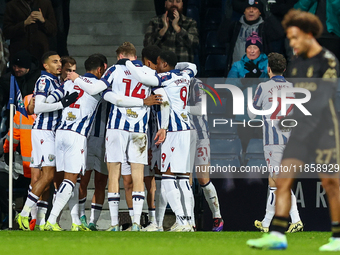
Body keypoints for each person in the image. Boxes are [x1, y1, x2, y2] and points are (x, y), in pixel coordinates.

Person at [247, 10, 340, 251]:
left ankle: (299, 225)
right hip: (295, 136)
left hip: (286, 137)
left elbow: (252, 112)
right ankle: (276, 227)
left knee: (297, 182)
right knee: (281, 181)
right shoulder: (295, 79)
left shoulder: (324, 61)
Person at [66, 42, 163, 231]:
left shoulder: (114, 70)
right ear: (135, 56)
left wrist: (77, 78)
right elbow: (161, 95)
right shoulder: (148, 73)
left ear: (120, 56)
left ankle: (113, 224)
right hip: (139, 129)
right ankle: (136, 222)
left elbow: (94, 89)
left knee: (114, 173)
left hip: (116, 128)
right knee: (137, 174)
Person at [125, 50, 197, 232]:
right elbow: (192, 66)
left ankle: (181, 221)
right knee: (182, 178)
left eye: (158, 63)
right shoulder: (185, 76)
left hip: (172, 130)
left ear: (164, 65)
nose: (156, 67)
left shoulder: (164, 78)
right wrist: (177, 66)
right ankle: (189, 221)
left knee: (167, 177)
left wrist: (127, 64)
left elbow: (142, 79)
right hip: (186, 128)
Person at [15, 51, 78, 231]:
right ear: (45, 65)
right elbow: (39, 106)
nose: (59, 64)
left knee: (47, 176)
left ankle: (41, 221)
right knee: (48, 175)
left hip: (49, 132)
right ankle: (24, 214)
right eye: (55, 62)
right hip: (44, 131)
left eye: (60, 61)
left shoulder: (55, 81)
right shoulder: (44, 81)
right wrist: (62, 103)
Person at [248, 52, 303, 233]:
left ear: (268, 69)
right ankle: (265, 223)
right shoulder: (293, 87)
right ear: (285, 69)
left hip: (274, 141)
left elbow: (251, 113)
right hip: (291, 140)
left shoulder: (263, 87)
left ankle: (296, 219)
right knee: (273, 181)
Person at [188, 77, 224, 231]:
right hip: (183, 135)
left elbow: (200, 108)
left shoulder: (196, 84)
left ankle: (217, 216)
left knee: (203, 179)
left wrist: (179, 107)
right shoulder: (171, 80)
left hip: (201, 135)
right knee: (186, 180)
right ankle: (189, 221)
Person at [226, 31, 268, 151]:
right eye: (249, 47)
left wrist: (261, 76)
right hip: (243, 114)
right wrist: (243, 81)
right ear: (246, 49)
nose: (252, 50)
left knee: (265, 147)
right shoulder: (237, 65)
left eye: (255, 47)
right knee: (243, 147)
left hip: (264, 113)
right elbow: (228, 87)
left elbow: (275, 84)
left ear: (260, 50)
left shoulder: (268, 65)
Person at [218, 0, 282, 76]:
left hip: (259, 75)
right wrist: (227, 18)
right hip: (237, 73)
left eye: (255, 9)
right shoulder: (235, 26)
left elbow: (279, 33)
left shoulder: (264, 27)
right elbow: (221, 38)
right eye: (248, 8)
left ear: (260, 12)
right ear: (244, 11)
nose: (251, 11)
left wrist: (268, 13)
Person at [0, 50, 41, 134]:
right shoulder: (7, 79)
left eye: (20, 67)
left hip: (33, 119)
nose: (16, 69)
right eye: (14, 66)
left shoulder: (39, 78)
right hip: (12, 118)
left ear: (28, 67)